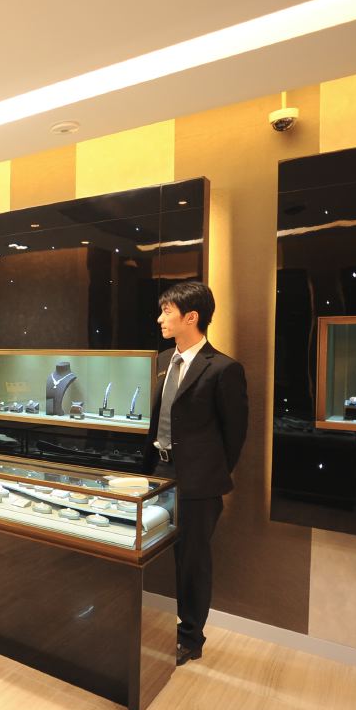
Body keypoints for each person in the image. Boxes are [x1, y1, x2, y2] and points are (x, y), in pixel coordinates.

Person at [146, 282, 248, 667]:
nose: (160, 319)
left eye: (167, 311)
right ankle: (154, 623)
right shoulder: (159, 362)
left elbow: (235, 434)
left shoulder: (222, 368)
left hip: (197, 480)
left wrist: (206, 473)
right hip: (156, 471)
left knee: (192, 561)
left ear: (191, 317)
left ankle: (190, 637)